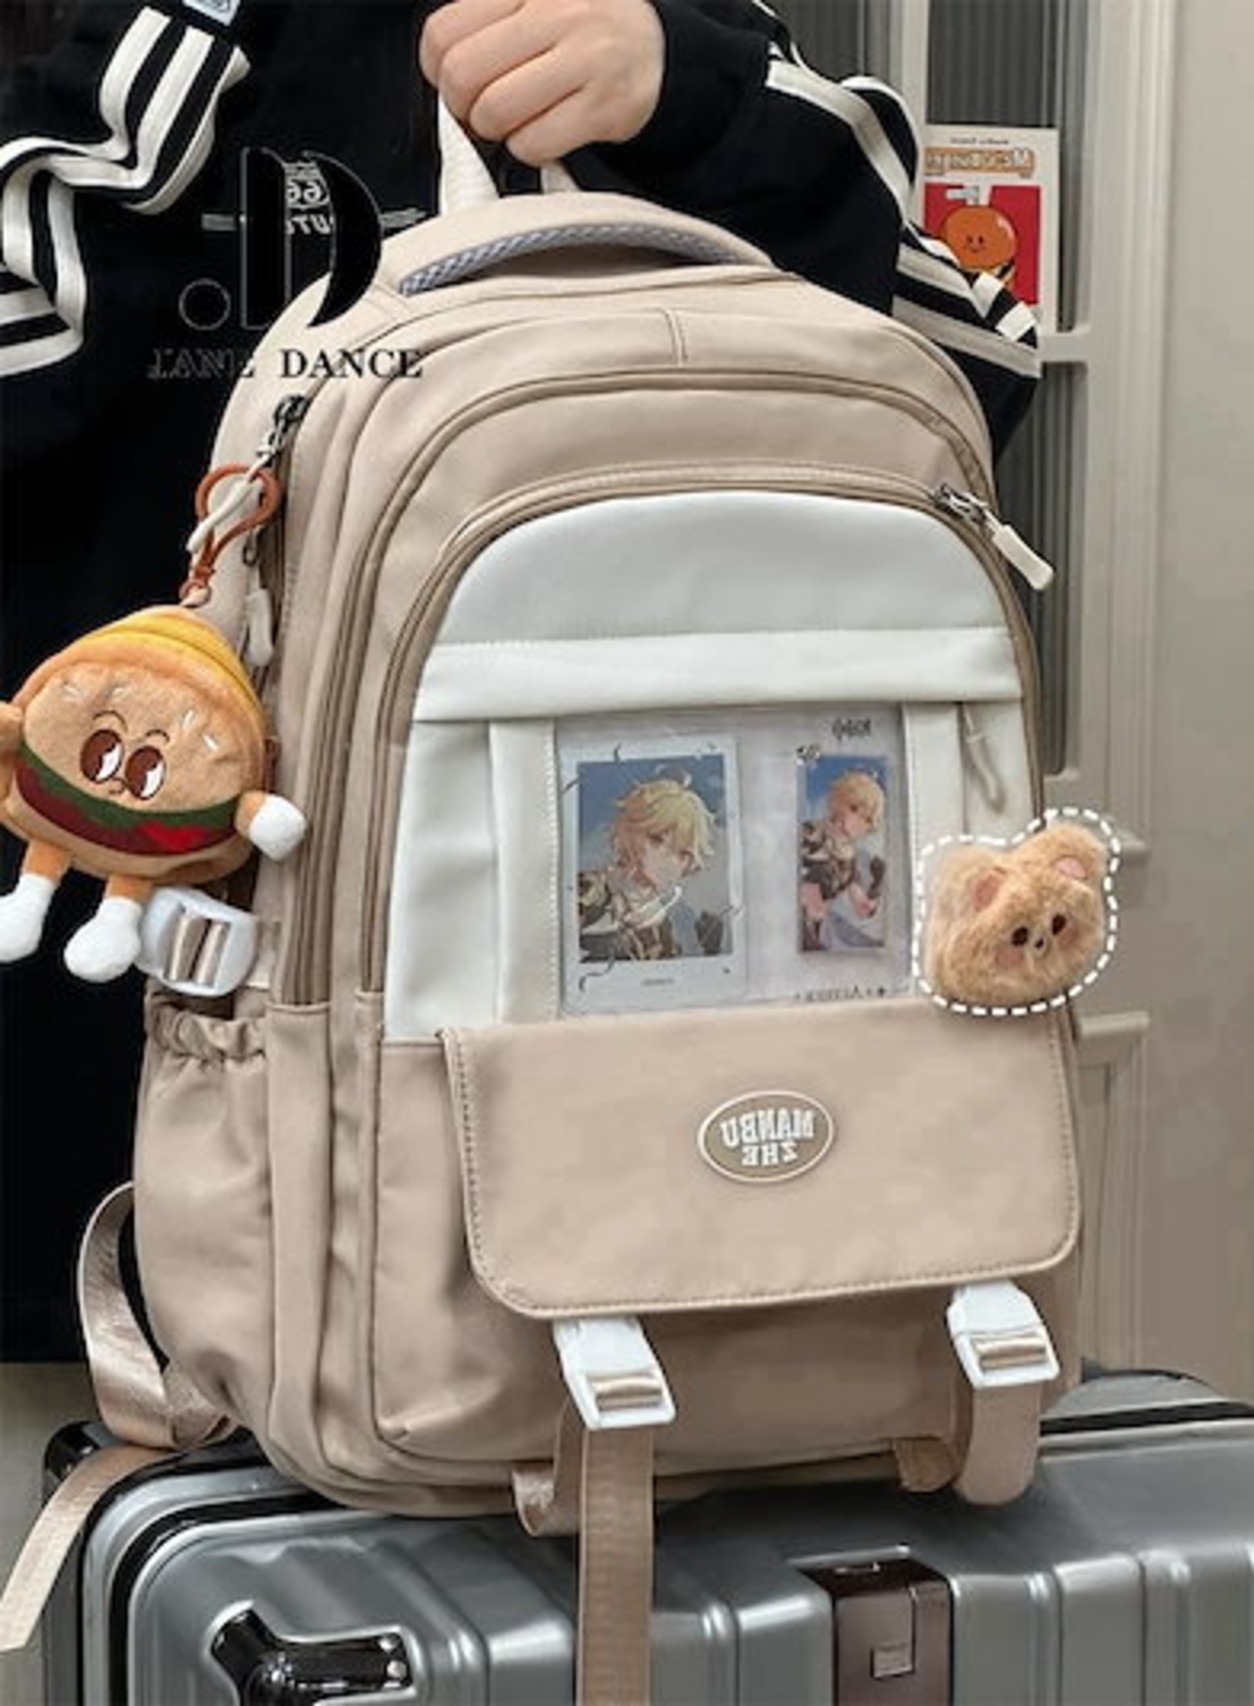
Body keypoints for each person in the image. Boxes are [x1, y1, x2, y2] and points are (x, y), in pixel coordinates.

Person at [0, 0, 1040, 1356]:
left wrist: (691, 91)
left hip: (643, 1090)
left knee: (625, 1431)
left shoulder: (657, 30)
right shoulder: (152, 60)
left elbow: (967, 370)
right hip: (128, 1098)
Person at [578, 773, 724, 962]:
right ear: (629, 832)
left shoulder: (682, 921)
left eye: (682, 854)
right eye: (657, 839)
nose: (668, 859)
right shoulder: (588, 892)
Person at [799, 766, 887, 952]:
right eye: (854, 809)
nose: (858, 823)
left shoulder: (848, 860)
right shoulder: (811, 834)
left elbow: (860, 904)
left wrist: (871, 897)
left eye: (867, 820)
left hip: (818, 930)